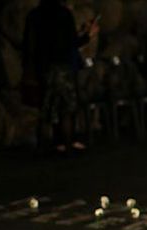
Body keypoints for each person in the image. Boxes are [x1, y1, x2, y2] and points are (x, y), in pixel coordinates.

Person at [22, 0, 99, 153]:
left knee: (46, 109)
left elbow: (29, 45)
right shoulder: (64, 14)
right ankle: (67, 144)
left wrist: (30, 69)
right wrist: (87, 36)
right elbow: (71, 43)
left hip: (44, 68)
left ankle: (43, 147)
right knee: (66, 109)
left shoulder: (34, 16)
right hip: (63, 67)